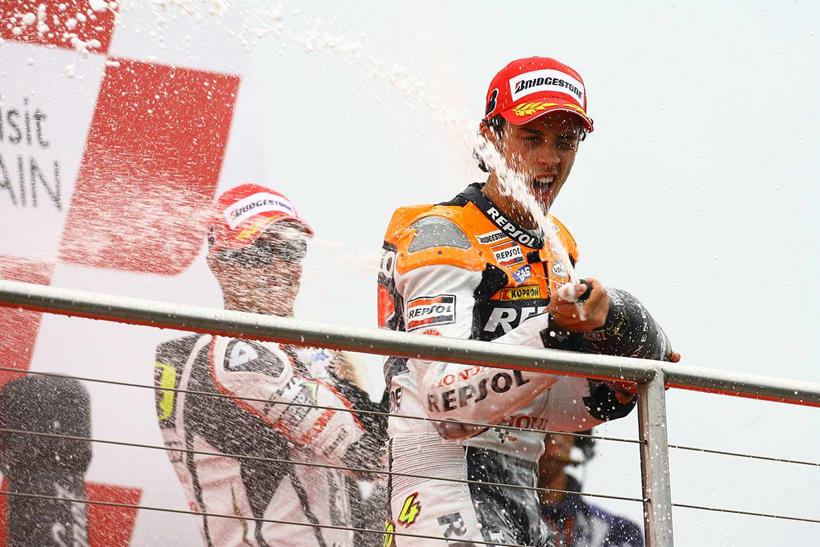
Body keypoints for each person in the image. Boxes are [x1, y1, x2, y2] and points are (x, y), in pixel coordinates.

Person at [377, 56, 679, 546]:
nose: (549, 160)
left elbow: (536, 406)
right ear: (492, 136)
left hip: (518, 502)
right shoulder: (441, 234)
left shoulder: (557, 244)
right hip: (442, 499)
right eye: (531, 138)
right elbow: (445, 407)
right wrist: (553, 331)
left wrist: (609, 392)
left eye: (565, 142)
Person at [154, 184, 385, 547]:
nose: (281, 266)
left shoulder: (301, 354)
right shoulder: (233, 355)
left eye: (292, 248)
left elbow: (373, 448)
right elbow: (377, 457)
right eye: (261, 252)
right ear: (219, 263)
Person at [539, 431, 643, 547]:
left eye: (562, 428)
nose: (552, 436)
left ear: (576, 437)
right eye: (539, 425)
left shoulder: (616, 531)